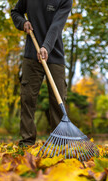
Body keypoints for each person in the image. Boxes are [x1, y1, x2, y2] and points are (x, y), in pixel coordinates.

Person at [11, 0, 72, 147]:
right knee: (27, 100)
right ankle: (27, 143)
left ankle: (60, 144)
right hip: (32, 54)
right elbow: (15, 12)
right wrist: (22, 22)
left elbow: (56, 26)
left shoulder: (65, 0)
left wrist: (46, 47)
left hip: (55, 56)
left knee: (58, 102)